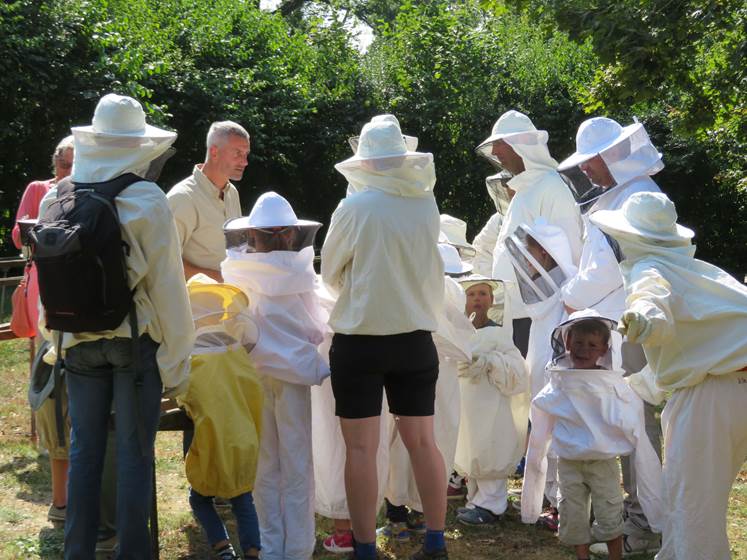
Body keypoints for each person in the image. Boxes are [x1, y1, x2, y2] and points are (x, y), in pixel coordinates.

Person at [44, 93, 195, 559]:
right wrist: (178, 360)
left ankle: (77, 553)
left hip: (76, 343)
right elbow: (169, 287)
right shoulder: (146, 198)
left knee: (85, 455)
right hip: (133, 345)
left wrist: (57, 345)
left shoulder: (57, 195)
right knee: (134, 456)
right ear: (137, 145)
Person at [590, 191, 747, 560]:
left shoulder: (649, 270)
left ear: (630, 238)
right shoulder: (705, 273)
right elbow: (693, 349)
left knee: (693, 507)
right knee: (686, 505)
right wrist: (637, 386)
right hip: (728, 387)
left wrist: (643, 321)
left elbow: (652, 303)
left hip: (713, 396)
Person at [321, 118, 446, 560]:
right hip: (415, 339)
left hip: (360, 340)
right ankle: (435, 540)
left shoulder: (354, 208)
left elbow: (329, 271)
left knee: (359, 449)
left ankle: (365, 549)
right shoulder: (425, 204)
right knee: (423, 442)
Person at [556, 116, 665, 555]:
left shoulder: (635, 195)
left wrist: (566, 298)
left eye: (591, 160)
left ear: (614, 155)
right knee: (632, 422)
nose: (584, 169)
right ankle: (641, 516)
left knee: (633, 424)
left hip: (628, 327)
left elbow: (601, 274)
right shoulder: (633, 193)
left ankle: (643, 524)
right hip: (625, 324)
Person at [221, 191, 329, 560]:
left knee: (266, 464)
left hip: (254, 376)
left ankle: (272, 548)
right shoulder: (300, 271)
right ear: (288, 234)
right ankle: (297, 548)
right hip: (294, 378)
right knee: (296, 464)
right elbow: (318, 327)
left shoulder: (236, 268)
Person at [521, 311, 664, 560]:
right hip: (569, 464)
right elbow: (541, 420)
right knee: (572, 514)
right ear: (566, 343)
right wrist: (534, 467)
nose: (584, 350)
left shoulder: (611, 384)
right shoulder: (559, 381)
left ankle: (615, 556)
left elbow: (633, 421)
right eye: (578, 343)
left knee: (610, 514)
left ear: (604, 349)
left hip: (603, 463)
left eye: (592, 345)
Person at [379, 243, 473, 539]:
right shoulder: (454, 295)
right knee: (436, 442)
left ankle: (398, 515)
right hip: (439, 380)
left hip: (411, 374)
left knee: (401, 441)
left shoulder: (419, 291)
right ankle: (421, 515)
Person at [475, 110, 583, 358]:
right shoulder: (523, 191)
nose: (495, 153)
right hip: (517, 312)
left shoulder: (552, 187)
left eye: (500, 144)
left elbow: (571, 252)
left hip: (542, 313)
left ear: (520, 146)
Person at [11, 135, 74, 525]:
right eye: (62, 163)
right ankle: (42, 429)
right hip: (41, 280)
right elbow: (19, 236)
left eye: (72, 163)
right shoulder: (39, 189)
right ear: (54, 163)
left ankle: (50, 437)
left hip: (66, 287)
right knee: (42, 362)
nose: (66, 170)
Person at [179, 277, 263, 560]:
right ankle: (252, 551)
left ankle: (222, 547)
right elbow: (253, 395)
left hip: (211, 442)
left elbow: (185, 395)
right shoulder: (237, 353)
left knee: (199, 498)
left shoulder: (194, 359)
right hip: (244, 440)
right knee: (242, 498)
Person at [505, 218, 578, 529]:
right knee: (542, 437)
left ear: (545, 254)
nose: (524, 258)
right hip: (542, 369)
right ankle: (550, 501)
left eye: (529, 250)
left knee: (562, 437)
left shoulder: (572, 287)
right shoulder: (543, 288)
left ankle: (567, 506)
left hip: (561, 376)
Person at [453, 275, 528, 525]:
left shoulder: (499, 333)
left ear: (491, 299)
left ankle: (492, 506)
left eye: (483, 293)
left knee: (490, 445)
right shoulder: (458, 331)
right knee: (472, 446)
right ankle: (475, 500)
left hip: (492, 401)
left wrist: (488, 362)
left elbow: (517, 368)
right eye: (472, 294)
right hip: (467, 401)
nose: (477, 299)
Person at [167, 120, 249, 281]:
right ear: (214, 152)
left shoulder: (232, 193)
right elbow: (165, 262)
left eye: (246, 154)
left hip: (232, 300)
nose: (245, 162)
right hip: (196, 304)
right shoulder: (183, 197)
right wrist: (223, 280)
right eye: (238, 153)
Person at [469, 171, 512, 277]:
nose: (508, 189)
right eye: (505, 185)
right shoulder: (498, 219)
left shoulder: (536, 207)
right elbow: (479, 248)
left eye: (510, 184)